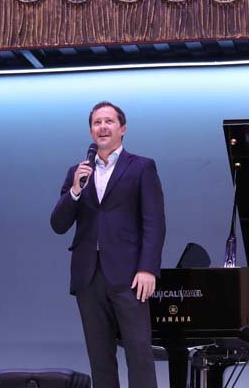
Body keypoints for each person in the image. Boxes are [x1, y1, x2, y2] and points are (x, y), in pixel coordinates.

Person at [50, 101, 166, 388]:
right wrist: (76, 190)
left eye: (109, 121)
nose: (102, 127)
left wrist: (148, 268)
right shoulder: (77, 172)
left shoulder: (141, 167)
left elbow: (154, 222)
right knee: (99, 357)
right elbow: (58, 224)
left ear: (122, 129)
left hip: (129, 275)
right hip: (88, 276)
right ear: (91, 132)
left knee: (139, 353)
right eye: (97, 123)